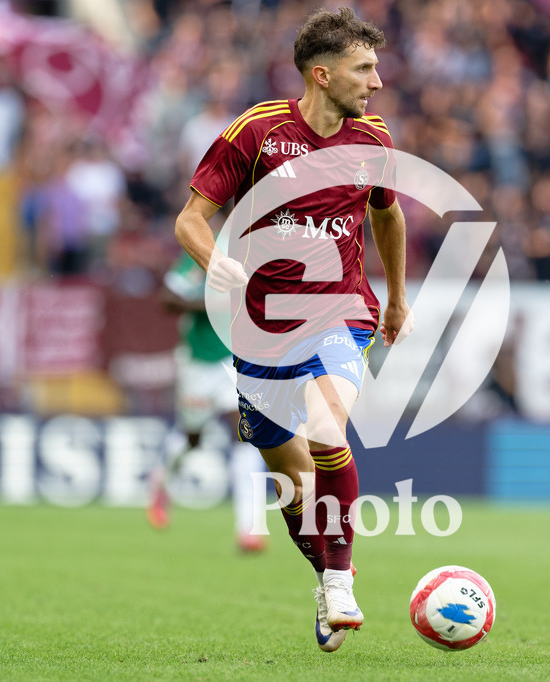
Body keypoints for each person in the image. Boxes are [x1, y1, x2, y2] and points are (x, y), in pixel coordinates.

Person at [172, 8, 412, 653]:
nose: (377, 81)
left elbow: (387, 216)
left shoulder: (375, 141)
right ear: (321, 73)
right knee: (291, 480)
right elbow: (191, 217)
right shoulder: (256, 132)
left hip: (340, 311)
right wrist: (213, 260)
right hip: (259, 328)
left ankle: (339, 580)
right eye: (365, 69)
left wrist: (394, 296)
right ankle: (330, 575)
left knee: (329, 429)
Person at [146, 252, 269, 551]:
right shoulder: (205, 257)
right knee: (193, 438)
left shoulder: (258, 252)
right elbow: (168, 299)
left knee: (246, 435)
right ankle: (162, 479)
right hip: (199, 362)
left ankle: (248, 529)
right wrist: (211, 306)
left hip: (236, 359)